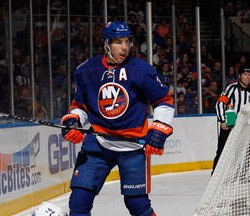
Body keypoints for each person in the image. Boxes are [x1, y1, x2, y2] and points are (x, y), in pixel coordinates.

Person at [60, 21, 175, 216]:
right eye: (118, 42)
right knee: (79, 202)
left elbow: (164, 100)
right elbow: (80, 106)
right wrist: (74, 121)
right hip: (97, 143)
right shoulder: (87, 70)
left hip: (132, 147)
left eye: (127, 42)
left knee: (137, 205)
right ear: (106, 44)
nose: (124, 47)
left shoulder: (140, 69)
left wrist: (159, 127)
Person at [211, 67, 250, 175]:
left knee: (245, 152)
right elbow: (220, 104)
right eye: (245, 74)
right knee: (222, 152)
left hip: (245, 127)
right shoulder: (232, 88)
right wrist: (222, 120)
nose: (248, 77)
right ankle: (215, 175)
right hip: (229, 125)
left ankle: (241, 174)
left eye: (249, 75)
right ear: (240, 76)